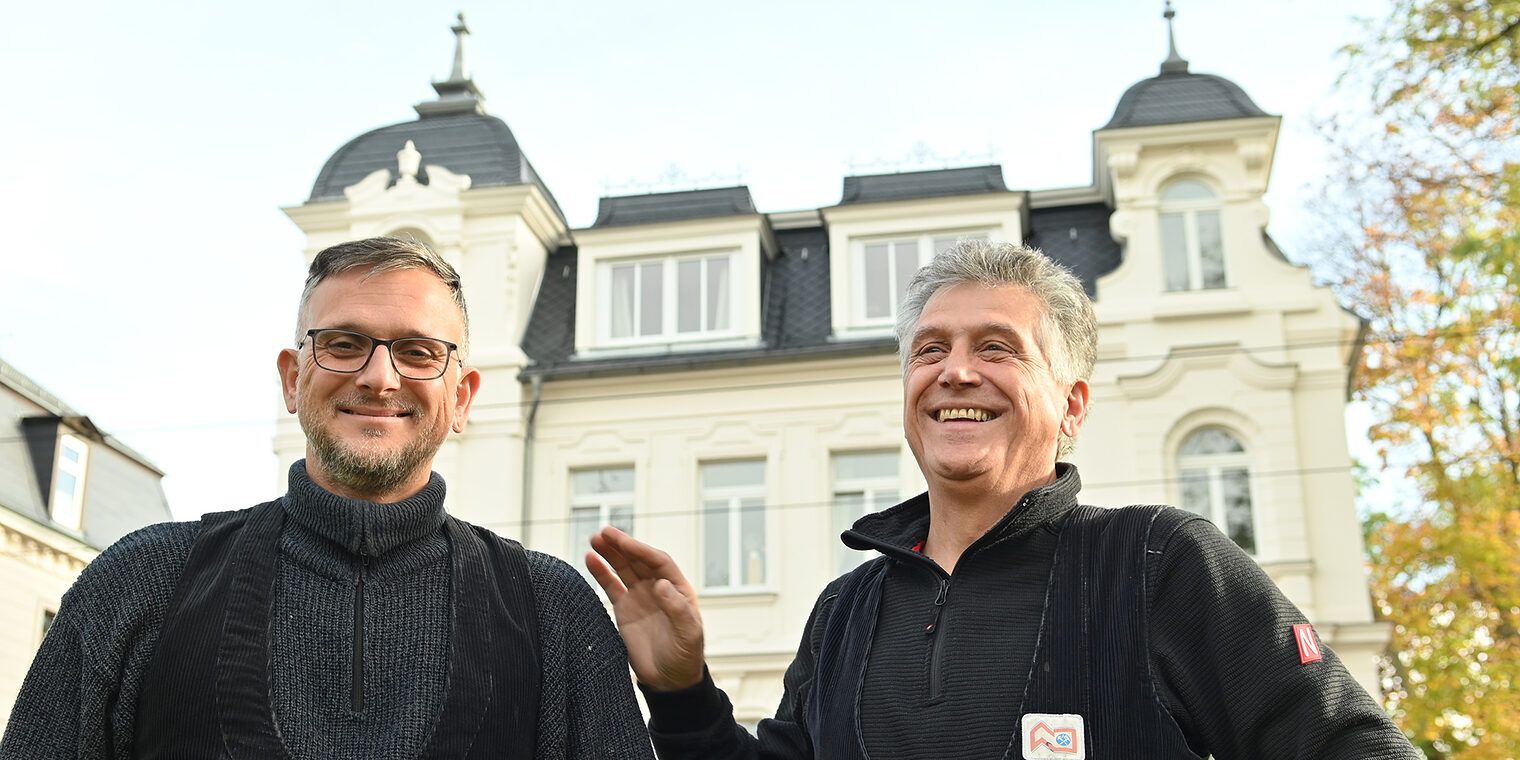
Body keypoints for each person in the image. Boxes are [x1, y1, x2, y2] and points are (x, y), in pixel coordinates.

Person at [587, 240, 1419, 759]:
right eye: (931, 349)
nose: (955, 371)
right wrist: (682, 692)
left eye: (997, 348)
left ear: (1072, 405)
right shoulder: (847, 611)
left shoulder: (1162, 563)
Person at [1, 237, 654, 760]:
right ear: (292, 379)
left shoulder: (553, 614)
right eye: (343, 344)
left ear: (461, 398)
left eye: (418, 351)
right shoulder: (142, 583)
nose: (379, 376)